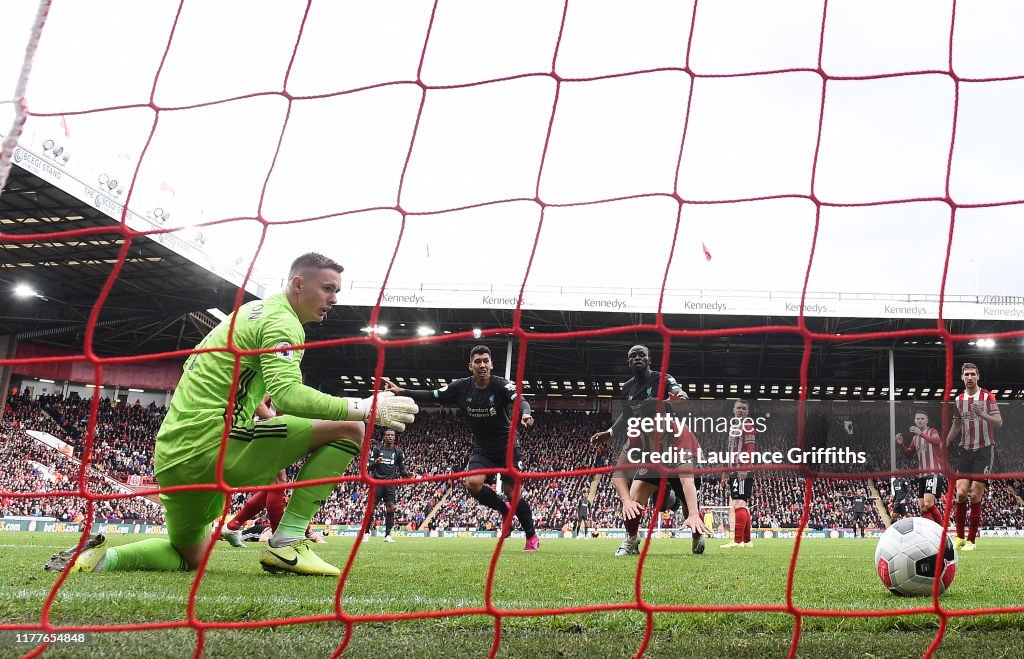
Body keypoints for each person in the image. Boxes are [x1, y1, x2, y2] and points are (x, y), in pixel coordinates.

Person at [45, 253, 419, 576]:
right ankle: (287, 542)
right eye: (328, 288)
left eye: (337, 290)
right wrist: (367, 407)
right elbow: (289, 396)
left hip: (174, 456)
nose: (334, 298)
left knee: (189, 556)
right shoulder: (283, 322)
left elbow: (227, 373)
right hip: (215, 448)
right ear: (298, 284)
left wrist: (261, 412)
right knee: (351, 429)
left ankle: (100, 559)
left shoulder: (248, 313)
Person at [381, 345, 540, 551]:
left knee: (512, 492)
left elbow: (520, 400)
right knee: (472, 483)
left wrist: (525, 414)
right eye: (478, 361)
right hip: (482, 449)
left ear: (491, 365)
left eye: (485, 361)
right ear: (470, 366)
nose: (482, 365)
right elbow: (433, 395)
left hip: (508, 446)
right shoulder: (460, 387)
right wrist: (401, 391)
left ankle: (531, 536)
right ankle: (504, 511)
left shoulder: (501, 385)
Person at [590, 345, 709, 556]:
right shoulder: (636, 428)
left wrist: (677, 396)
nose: (637, 358)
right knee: (634, 498)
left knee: (688, 501)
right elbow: (618, 472)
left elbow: (687, 480)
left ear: (649, 359)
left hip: (675, 457)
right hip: (653, 460)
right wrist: (626, 501)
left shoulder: (678, 430)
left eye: (641, 355)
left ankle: (696, 533)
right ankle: (631, 540)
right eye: (632, 356)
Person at [945, 362, 1002, 551]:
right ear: (962, 377)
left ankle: (971, 540)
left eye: (972, 374)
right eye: (966, 374)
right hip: (965, 450)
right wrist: (945, 442)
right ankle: (960, 537)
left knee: (975, 493)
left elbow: (999, 422)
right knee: (960, 493)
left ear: (978, 376)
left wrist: (982, 414)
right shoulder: (959, 400)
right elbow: (957, 424)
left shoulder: (988, 397)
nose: (969, 377)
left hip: (984, 450)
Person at [363, 429, 412, 543]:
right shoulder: (377, 449)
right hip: (376, 483)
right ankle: (366, 533)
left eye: (392, 435)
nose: (390, 437)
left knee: (391, 508)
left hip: (390, 484)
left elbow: (402, 468)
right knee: (371, 508)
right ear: (384, 437)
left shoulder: (398, 452)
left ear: (394, 438)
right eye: (388, 435)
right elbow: (368, 467)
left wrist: (407, 474)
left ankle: (388, 535)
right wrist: (376, 462)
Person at [895, 410, 944, 526]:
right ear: (915, 421)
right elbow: (908, 454)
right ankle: (929, 531)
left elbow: (938, 442)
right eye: (918, 419)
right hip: (922, 476)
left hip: (934, 472)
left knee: (928, 502)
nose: (920, 420)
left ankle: (942, 530)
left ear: (927, 421)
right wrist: (901, 444)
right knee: (923, 507)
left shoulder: (932, 431)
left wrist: (921, 434)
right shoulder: (915, 439)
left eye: (922, 418)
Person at [721, 399, 756, 549]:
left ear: (747, 412)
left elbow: (750, 448)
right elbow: (731, 451)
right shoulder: (734, 427)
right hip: (734, 470)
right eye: (738, 408)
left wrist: (744, 467)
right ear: (734, 410)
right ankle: (747, 541)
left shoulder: (747, 425)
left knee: (738, 503)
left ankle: (737, 541)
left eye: (743, 408)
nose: (741, 410)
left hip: (741, 470)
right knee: (743, 504)